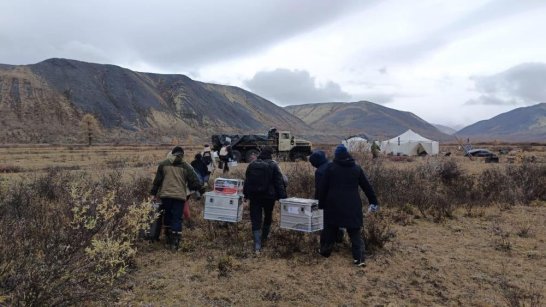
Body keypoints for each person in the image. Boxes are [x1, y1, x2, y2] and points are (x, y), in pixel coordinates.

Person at [318, 144, 379, 266]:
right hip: (352, 204)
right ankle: (359, 258)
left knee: (330, 229)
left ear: (336, 155)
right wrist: (373, 201)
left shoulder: (330, 168)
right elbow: (367, 187)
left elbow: (322, 188)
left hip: (333, 204)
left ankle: (325, 252)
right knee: (354, 231)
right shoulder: (356, 168)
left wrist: (320, 204)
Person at [150, 146, 204, 251]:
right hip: (179, 197)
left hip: (165, 196)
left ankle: (167, 238)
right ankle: (175, 243)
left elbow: (157, 181)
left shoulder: (163, 164)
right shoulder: (186, 166)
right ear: (182, 155)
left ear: (172, 153)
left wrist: (153, 194)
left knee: (168, 216)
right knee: (177, 218)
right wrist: (200, 190)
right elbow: (195, 182)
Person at [243, 146, 287, 252]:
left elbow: (247, 181)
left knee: (255, 218)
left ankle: (257, 245)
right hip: (269, 197)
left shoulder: (252, 164)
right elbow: (279, 183)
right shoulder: (273, 165)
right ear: (270, 155)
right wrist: (283, 198)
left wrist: (246, 195)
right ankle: (264, 238)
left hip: (254, 197)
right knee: (268, 215)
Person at [309, 150, 344, 243]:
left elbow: (320, 188)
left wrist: (317, 203)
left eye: (313, 163)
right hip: (341, 198)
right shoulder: (335, 165)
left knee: (326, 222)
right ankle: (338, 238)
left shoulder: (320, 171)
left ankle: (327, 244)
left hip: (328, 200)